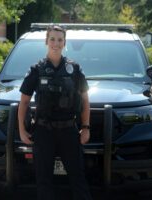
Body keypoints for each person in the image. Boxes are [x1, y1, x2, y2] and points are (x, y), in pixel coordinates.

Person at [18, 25, 93, 200]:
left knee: (78, 178)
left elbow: (85, 100)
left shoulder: (74, 69)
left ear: (64, 42)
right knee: (43, 180)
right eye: (52, 39)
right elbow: (23, 103)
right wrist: (22, 130)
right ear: (46, 41)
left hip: (69, 131)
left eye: (60, 40)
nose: (56, 43)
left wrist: (86, 127)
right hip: (43, 132)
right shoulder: (36, 69)